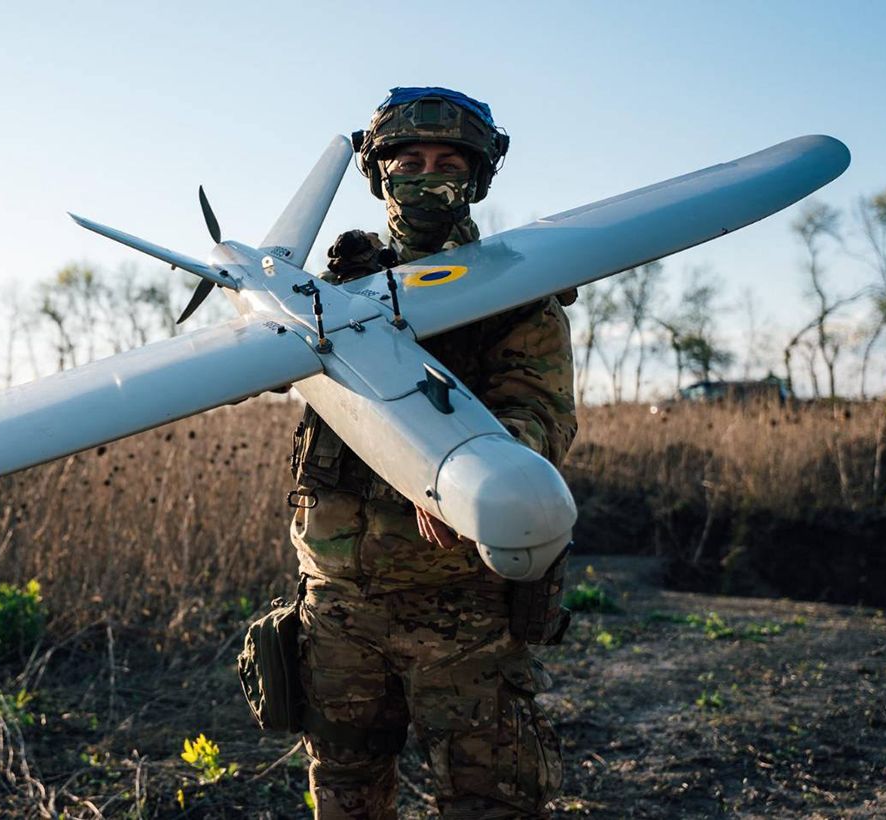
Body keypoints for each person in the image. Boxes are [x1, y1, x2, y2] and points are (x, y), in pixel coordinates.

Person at [290, 87, 578, 819]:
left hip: (461, 603)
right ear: (379, 174)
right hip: (339, 600)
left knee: (490, 801)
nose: (426, 177)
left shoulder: (516, 290)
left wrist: (468, 480)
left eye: (448, 163)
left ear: (476, 177)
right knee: (346, 796)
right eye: (408, 161)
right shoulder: (334, 296)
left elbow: (539, 412)